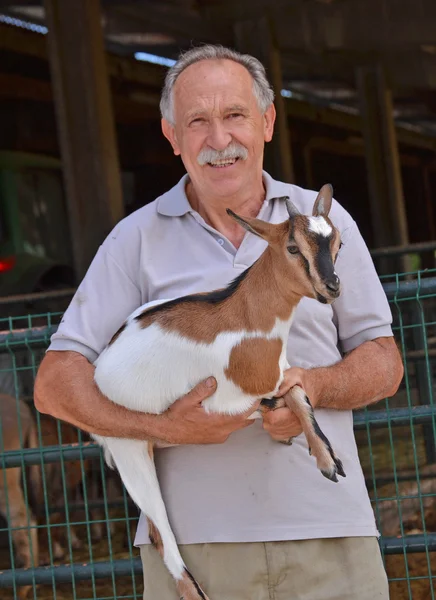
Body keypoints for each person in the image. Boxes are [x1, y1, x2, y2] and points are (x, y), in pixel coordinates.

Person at [35, 44, 403, 600]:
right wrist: (164, 429)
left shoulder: (324, 223)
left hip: (329, 534)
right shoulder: (136, 239)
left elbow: (385, 361)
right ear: (171, 136)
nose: (219, 139)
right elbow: (54, 385)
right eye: (197, 122)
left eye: (234, 115)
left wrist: (317, 385)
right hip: (196, 553)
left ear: (267, 122)